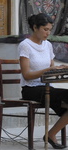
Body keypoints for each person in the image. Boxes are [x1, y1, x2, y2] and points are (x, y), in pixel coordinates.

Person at [18, 13, 68, 149]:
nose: (48, 33)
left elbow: (51, 68)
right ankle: (51, 135)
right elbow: (27, 75)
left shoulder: (48, 45)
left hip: (47, 87)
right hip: (31, 89)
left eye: (50, 30)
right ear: (35, 27)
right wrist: (47, 70)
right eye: (45, 29)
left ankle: (51, 134)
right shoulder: (25, 45)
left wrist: (60, 69)